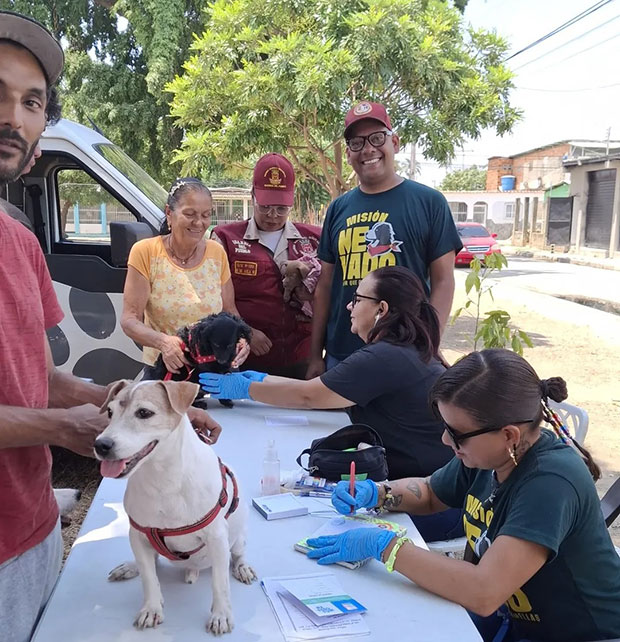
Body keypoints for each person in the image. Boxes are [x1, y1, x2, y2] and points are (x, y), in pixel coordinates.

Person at [0, 16, 220, 640]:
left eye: (31, 102)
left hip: (32, 526)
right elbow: (49, 407)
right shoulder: (146, 254)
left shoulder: (19, 242)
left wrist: (136, 408)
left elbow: (39, 378)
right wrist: (58, 428)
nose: (13, 116)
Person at [304, 349, 620, 642]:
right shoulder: (492, 456)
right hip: (522, 622)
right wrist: (378, 493)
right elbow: (431, 492)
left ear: (509, 434)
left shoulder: (550, 482)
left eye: (456, 433)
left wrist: (386, 547)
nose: (445, 439)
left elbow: (484, 591)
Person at [201, 266, 462, 541]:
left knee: (302, 527)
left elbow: (309, 396)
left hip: (430, 504)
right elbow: (325, 391)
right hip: (425, 491)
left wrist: (246, 388)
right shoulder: (403, 349)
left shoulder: (385, 357)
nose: (349, 305)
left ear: (381, 309)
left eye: (357, 299)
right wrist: (262, 380)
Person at [307, 101, 462, 378]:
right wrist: (315, 355)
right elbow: (325, 286)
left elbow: (443, 281)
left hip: (405, 355)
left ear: (395, 142)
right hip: (341, 355)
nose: (368, 149)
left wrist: (430, 344)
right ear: (349, 153)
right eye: (357, 143)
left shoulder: (429, 202)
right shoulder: (338, 208)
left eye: (377, 138)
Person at [121, 177, 248, 376]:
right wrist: (164, 343)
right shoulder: (146, 252)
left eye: (206, 215)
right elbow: (129, 320)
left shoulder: (216, 253)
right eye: (190, 214)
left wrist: (242, 339)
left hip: (215, 372)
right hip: (166, 371)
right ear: (169, 213)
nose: (199, 223)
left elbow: (230, 312)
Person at [212, 153, 321, 378]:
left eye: (281, 208)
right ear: (252, 195)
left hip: (301, 356)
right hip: (245, 357)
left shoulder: (314, 239)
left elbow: (332, 294)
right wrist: (245, 331)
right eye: (265, 207)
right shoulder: (225, 238)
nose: (273, 215)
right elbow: (212, 297)